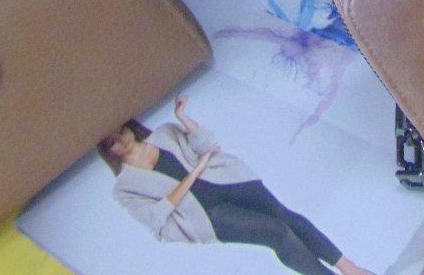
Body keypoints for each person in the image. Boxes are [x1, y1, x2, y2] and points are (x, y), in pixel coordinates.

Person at [100, 97, 374, 275]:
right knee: (276, 233)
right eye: (112, 141)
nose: (121, 139)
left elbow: (207, 145)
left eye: (121, 131)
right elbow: (155, 217)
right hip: (209, 214)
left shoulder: (164, 133)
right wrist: (194, 172)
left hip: (230, 181)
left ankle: (351, 269)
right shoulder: (124, 187)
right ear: (108, 151)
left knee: (284, 216)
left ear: (129, 126)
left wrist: (183, 117)